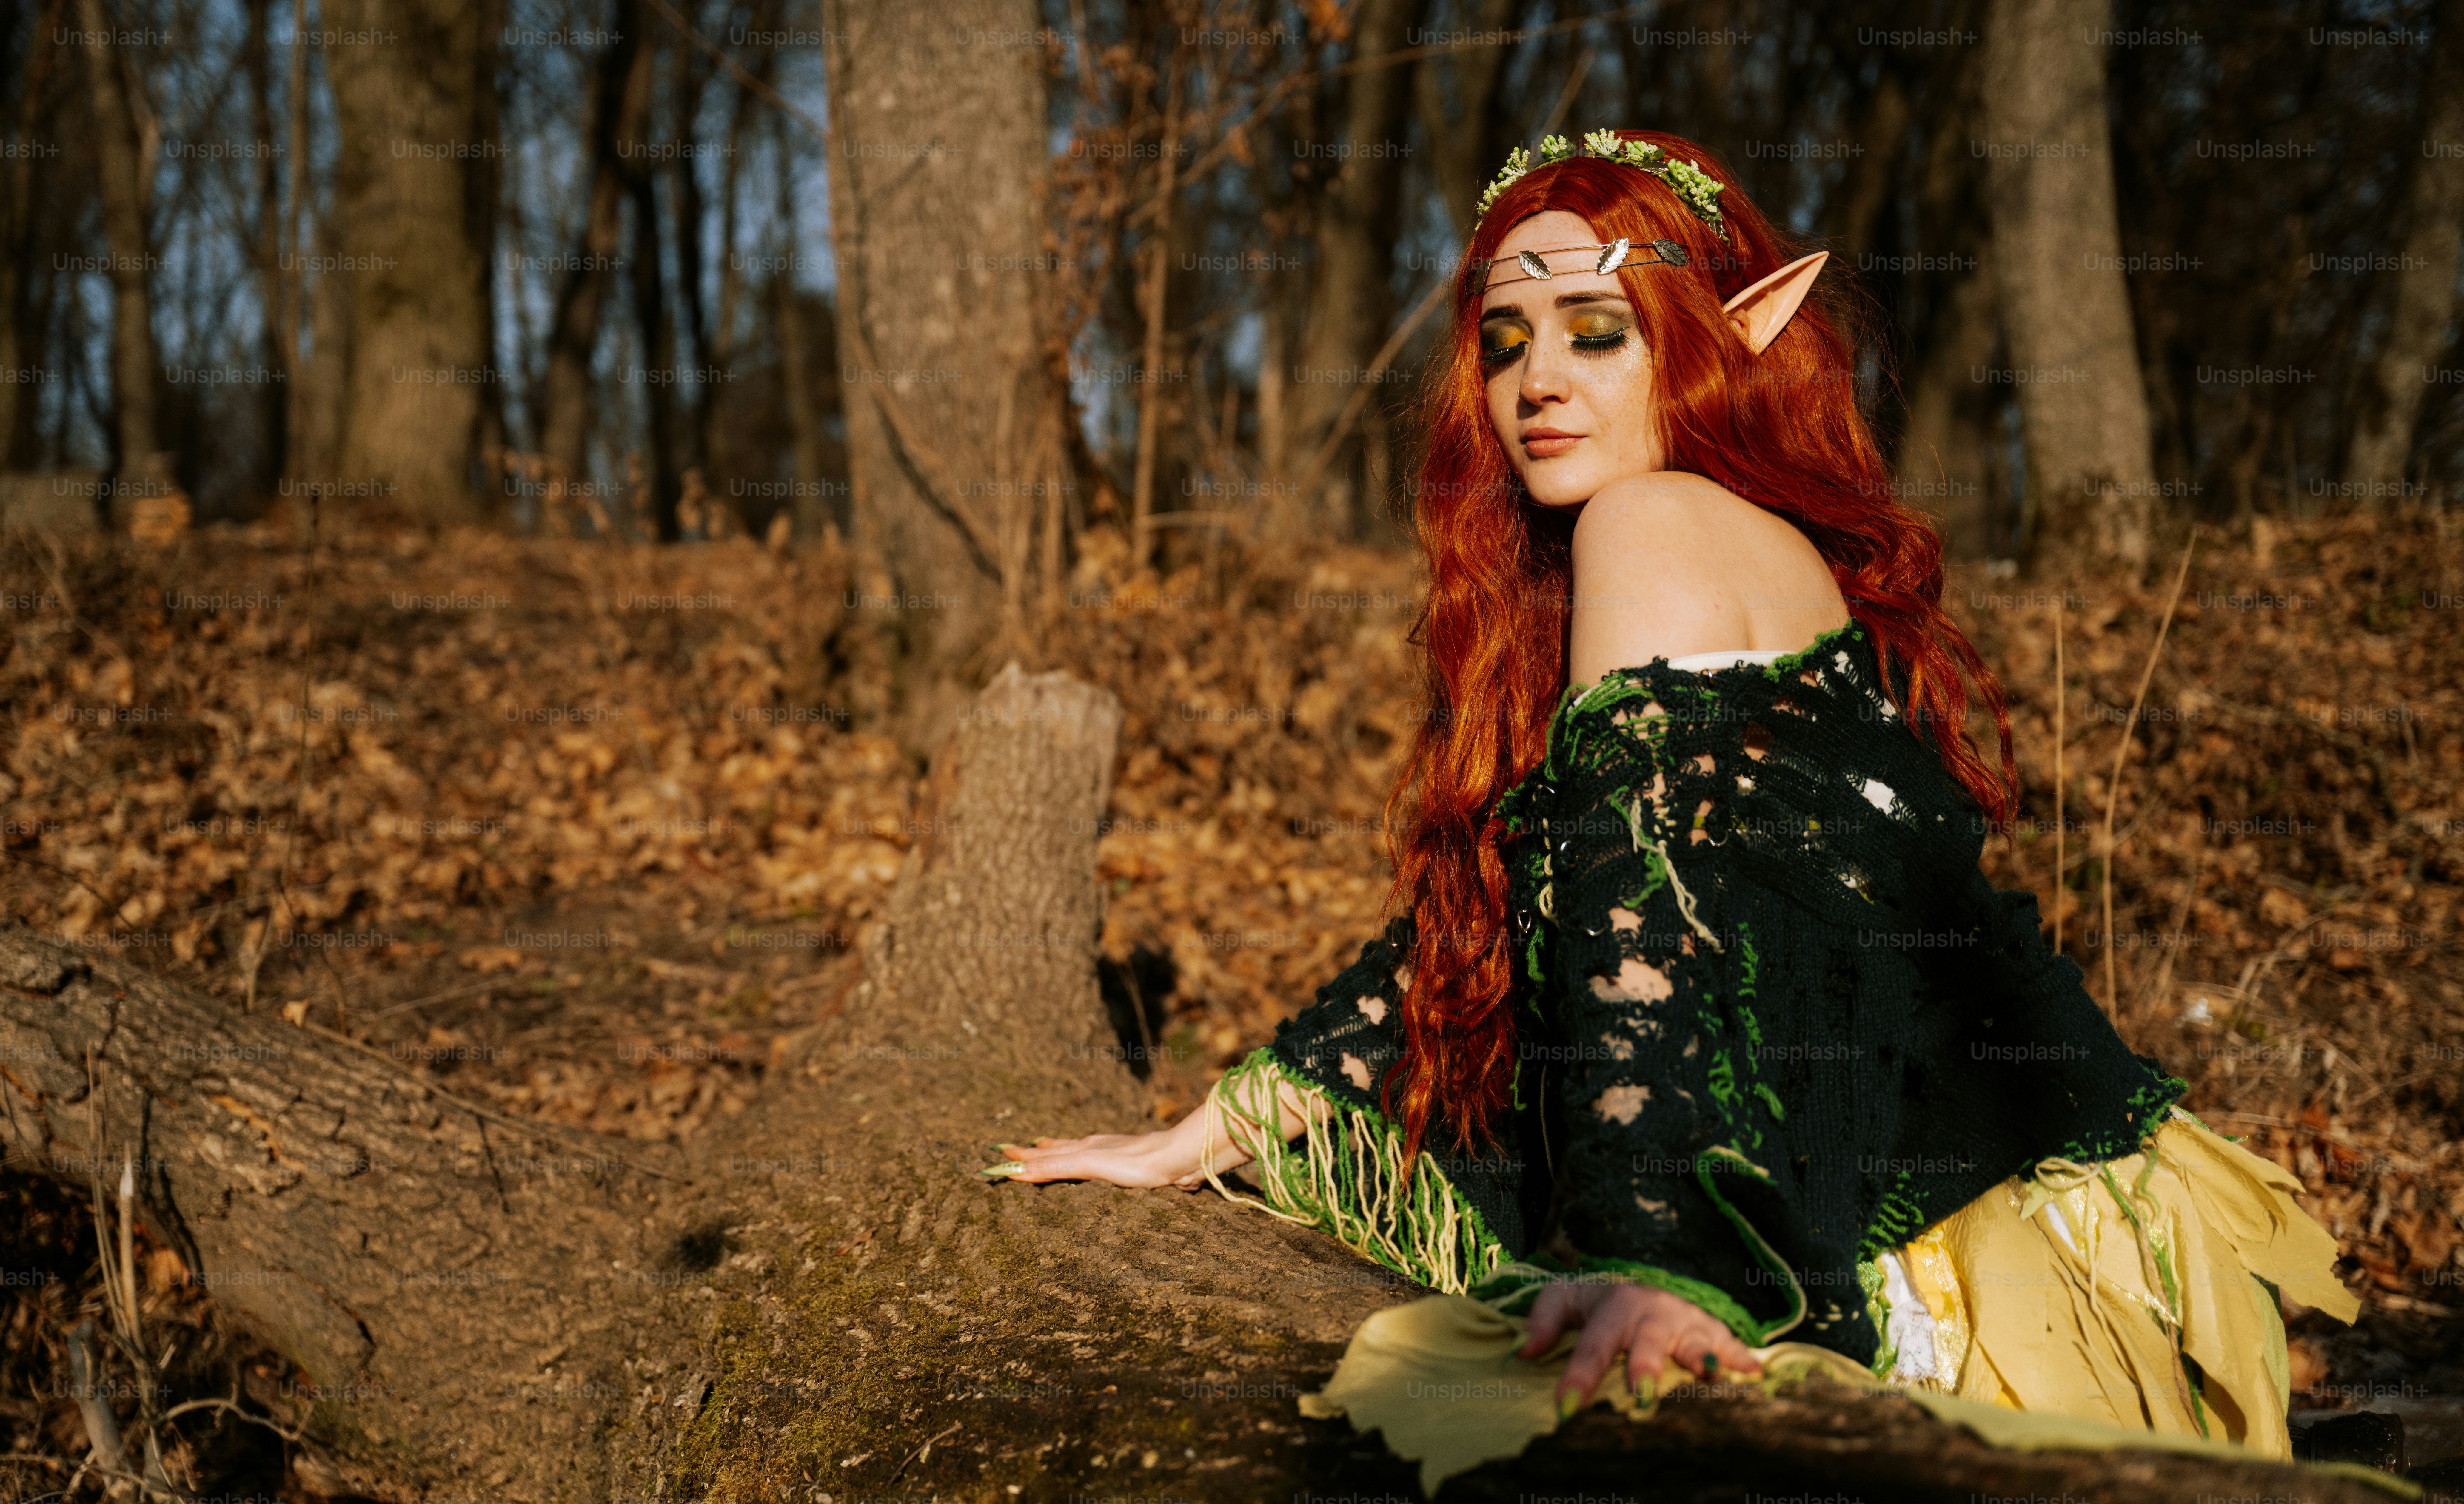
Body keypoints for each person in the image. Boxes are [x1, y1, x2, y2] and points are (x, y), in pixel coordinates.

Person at [981, 129, 2354, 1459]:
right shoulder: (1679, 545)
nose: (1538, 382)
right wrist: (1202, 1136)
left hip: (1986, 1265)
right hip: (2063, 1205)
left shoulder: (1654, 527)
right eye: (1508, 342)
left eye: (1599, 330)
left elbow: (1646, 931)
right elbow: (1508, 917)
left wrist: (1670, 1266)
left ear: (1726, 334)